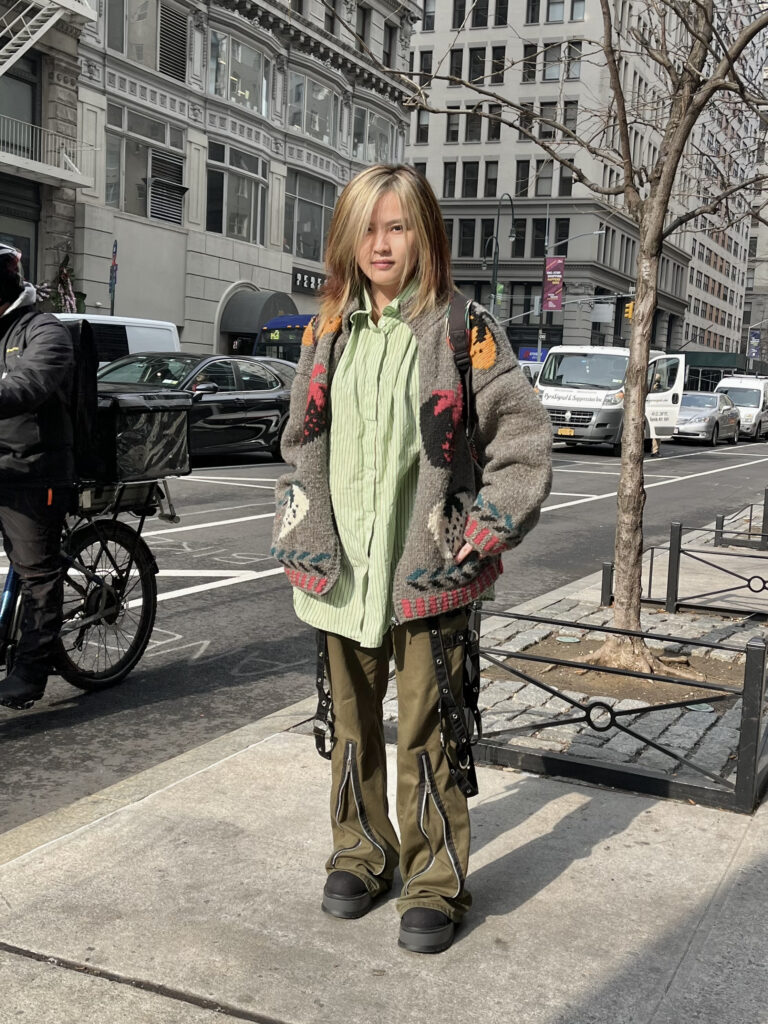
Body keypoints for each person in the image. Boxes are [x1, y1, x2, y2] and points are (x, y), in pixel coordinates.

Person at [271, 165, 552, 954]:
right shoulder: (326, 329)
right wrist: (304, 512)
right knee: (352, 723)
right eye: (368, 227)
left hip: (426, 573)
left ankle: (433, 880)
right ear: (347, 238)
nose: (382, 242)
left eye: (397, 226)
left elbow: (523, 442)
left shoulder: (464, 327)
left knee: (430, 725)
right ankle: (360, 853)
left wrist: (484, 529)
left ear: (425, 233)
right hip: (341, 572)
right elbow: (301, 435)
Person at [0, 244, 75, 710]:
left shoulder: (43, 330)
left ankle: (30, 670)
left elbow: (26, 386)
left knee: (37, 574)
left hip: (32, 469)